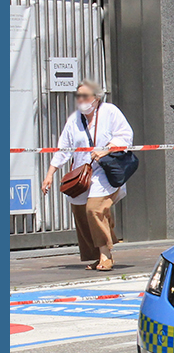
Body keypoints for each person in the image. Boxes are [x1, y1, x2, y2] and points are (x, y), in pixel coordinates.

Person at [41, 80, 133, 271]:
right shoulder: (74, 119)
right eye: (79, 96)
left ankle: (106, 255)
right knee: (80, 210)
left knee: (94, 208)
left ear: (96, 98)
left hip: (105, 172)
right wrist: (50, 174)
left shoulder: (110, 112)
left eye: (85, 96)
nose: (81, 100)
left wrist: (106, 150)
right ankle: (97, 254)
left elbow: (125, 136)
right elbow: (63, 148)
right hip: (83, 174)